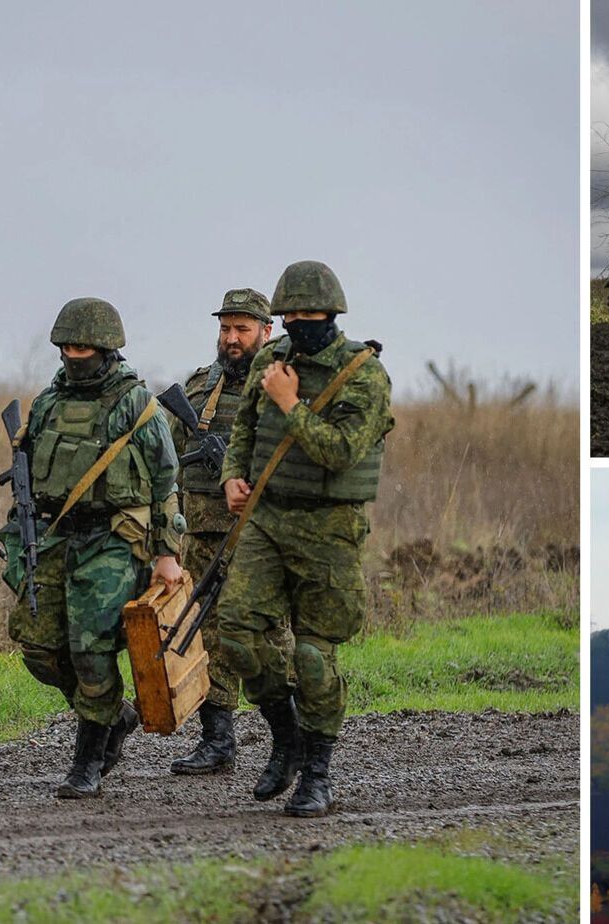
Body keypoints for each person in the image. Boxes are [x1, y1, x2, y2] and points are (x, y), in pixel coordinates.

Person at [214, 260, 394, 817]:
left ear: (332, 316)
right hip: (267, 521)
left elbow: (340, 451)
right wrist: (232, 479)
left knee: (315, 657)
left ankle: (318, 771)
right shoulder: (272, 360)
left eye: (310, 317)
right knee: (236, 633)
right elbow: (243, 430)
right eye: (290, 317)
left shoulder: (364, 375)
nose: (299, 325)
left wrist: (291, 403)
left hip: (329, 530)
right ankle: (286, 736)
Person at [3, 297, 184, 798]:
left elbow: (167, 482)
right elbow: (26, 474)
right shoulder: (47, 403)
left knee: (92, 651)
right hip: (57, 533)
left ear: (106, 349)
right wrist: (19, 536)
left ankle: (87, 762)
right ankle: (114, 715)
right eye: (66, 346)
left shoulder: (136, 403)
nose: (73, 355)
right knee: (39, 647)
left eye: (83, 347)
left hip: (113, 538)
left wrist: (167, 551)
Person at [166, 287, 272, 775]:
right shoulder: (196, 390)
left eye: (242, 329)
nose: (232, 339)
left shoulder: (280, 388)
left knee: (266, 637)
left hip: (262, 538)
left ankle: (292, 738)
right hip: (205, 537)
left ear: (266, 332)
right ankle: (218, 740)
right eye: (226, 329)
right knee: (207, 634)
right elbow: (166, 459)